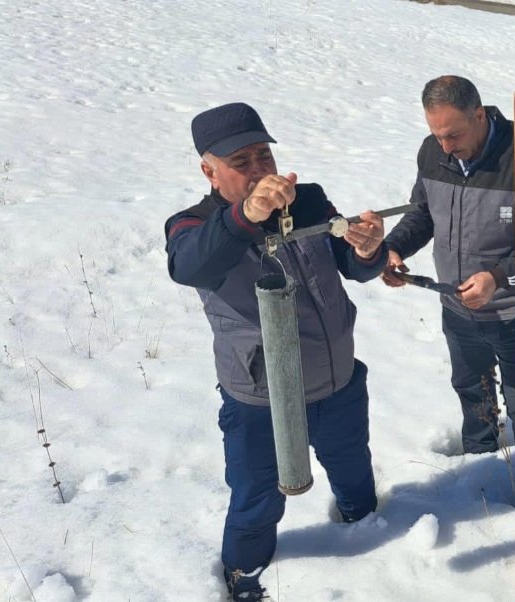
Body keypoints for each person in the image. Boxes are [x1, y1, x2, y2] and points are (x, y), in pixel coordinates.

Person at [164, 102, 387, 600]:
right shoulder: (193, 225)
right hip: (260, 400)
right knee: (257, 498)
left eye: (263, 155)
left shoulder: (307, 200)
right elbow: (189, 268)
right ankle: (245, 577)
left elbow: (351, 264)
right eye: (241, 162)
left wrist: (368, 249)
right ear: (210, 171)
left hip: (338, 380)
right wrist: (246, 215)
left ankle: (369, 532)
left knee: (353, 467)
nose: (259, 169)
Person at [381, 76, 515, 519]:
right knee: (470, 387)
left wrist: (498, 279)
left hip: (511, 310)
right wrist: (395, 247)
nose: (444, 146)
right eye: (436, 135)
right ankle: (480, 460)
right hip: (455, 305)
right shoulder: (433, 153)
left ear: (479, 115)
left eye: (454, 134)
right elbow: (423, 213)